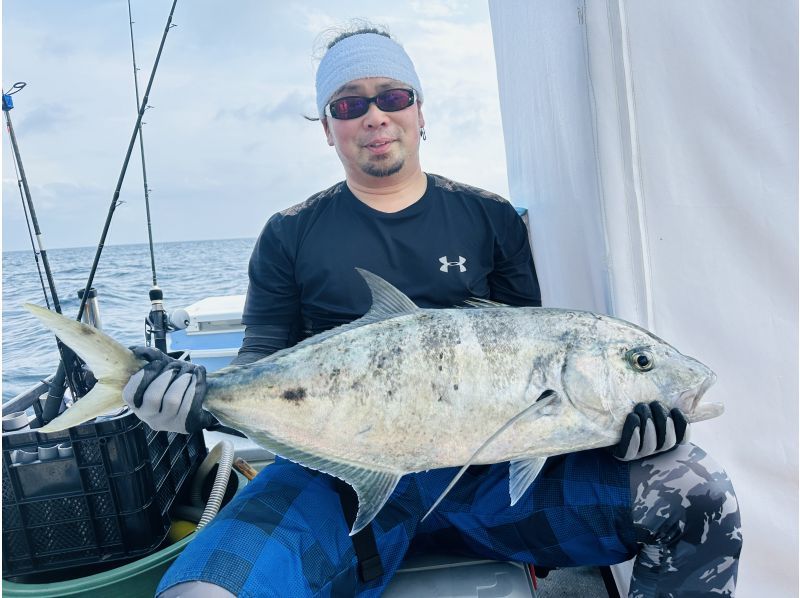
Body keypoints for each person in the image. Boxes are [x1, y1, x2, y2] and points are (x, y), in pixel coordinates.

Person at [123, 25, 742, 598]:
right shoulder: (289, 233)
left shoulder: (489, 217)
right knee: (202, 593)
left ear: (419, 110)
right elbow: (260, 360)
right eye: (348, 103)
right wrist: (196, 397)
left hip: (490, 481)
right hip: (338, 482)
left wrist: (623, 432)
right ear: (327, 126)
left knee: (696, 492)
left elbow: (525, 350)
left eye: (391, 96)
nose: (374, 117)